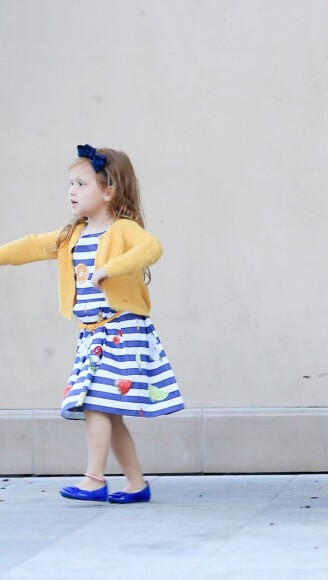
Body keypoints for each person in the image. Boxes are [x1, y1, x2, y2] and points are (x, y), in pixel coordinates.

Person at [0, 144, 185, 503]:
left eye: (81, 184)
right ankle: (136, 484)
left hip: (123, 330)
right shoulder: (72, 235)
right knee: (108, 413)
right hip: (94, 336)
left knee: (96, 404)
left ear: (108, 189)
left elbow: (151, 249)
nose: (72, 191)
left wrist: (110, 269)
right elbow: (29, 246)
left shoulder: (123, 229)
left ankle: (94, 479)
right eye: (71, 183)